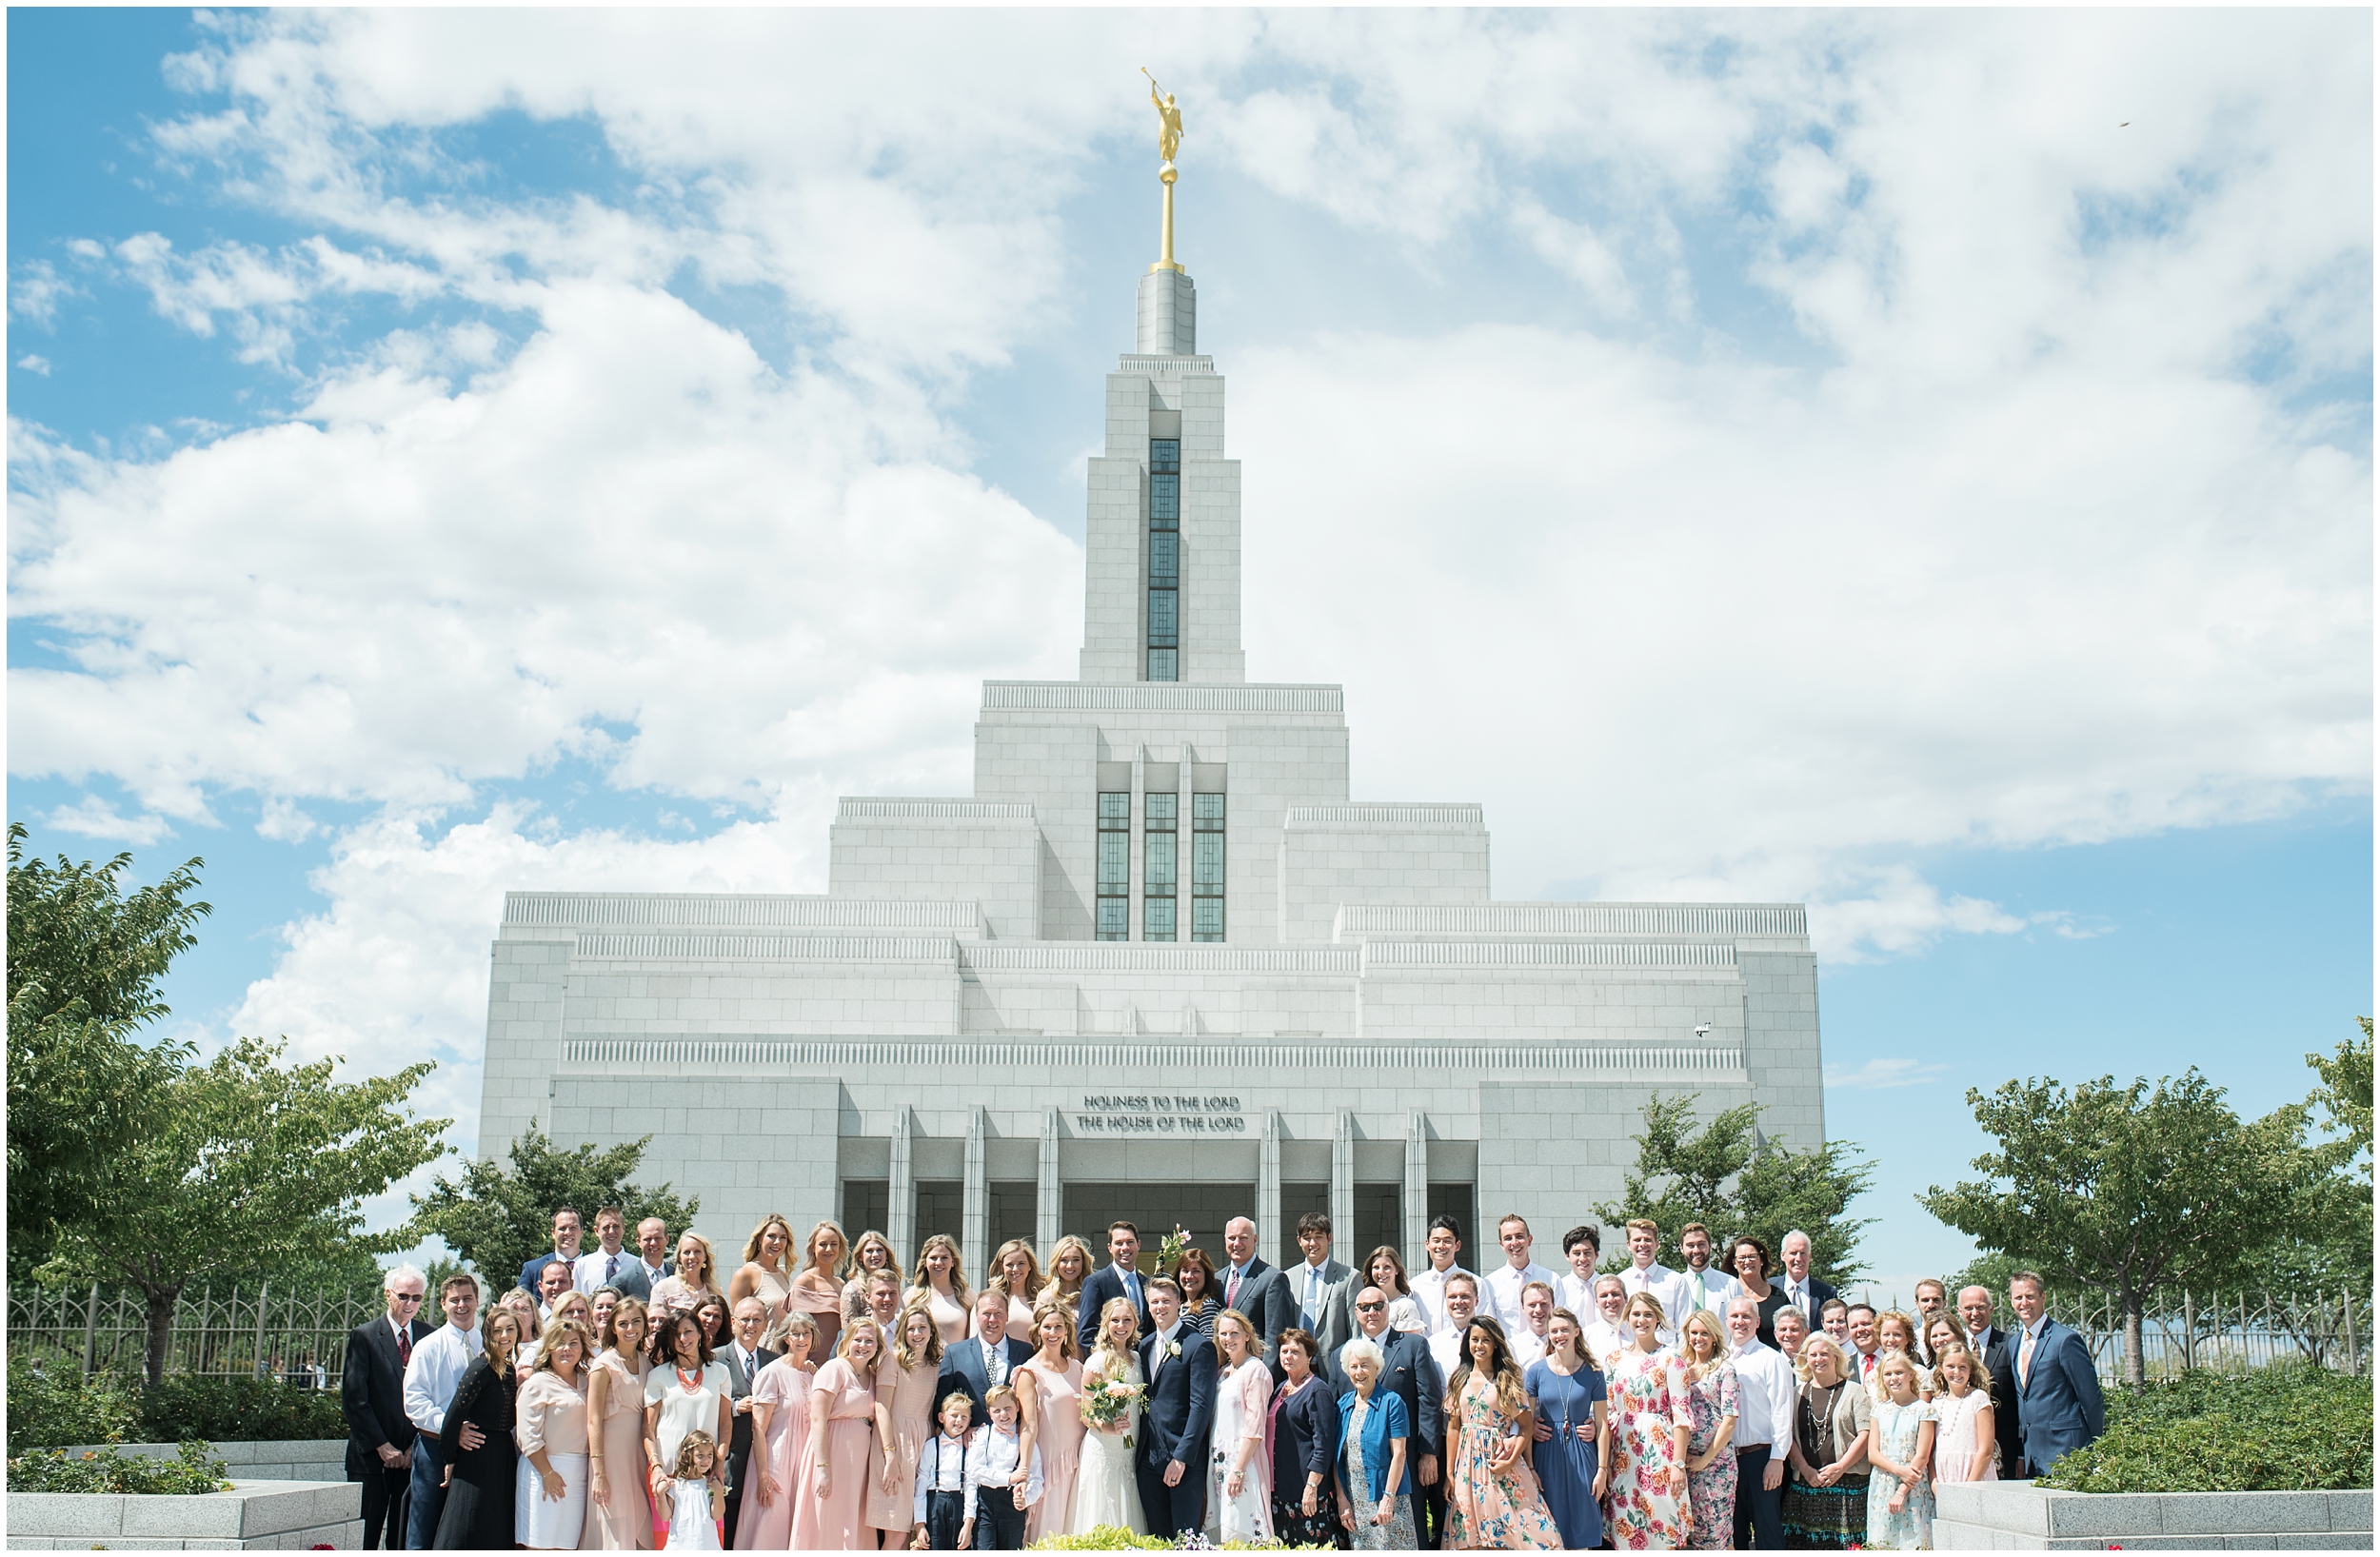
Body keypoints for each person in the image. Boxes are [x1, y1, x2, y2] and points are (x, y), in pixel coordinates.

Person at [1330, 1286, 1445, 1543]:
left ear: (1388, 1309)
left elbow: (1429, 1400)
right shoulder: (1340, 1355)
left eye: (1378, 1306)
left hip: (1405, 1462)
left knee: (1409, 1534)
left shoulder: (1414, 1346)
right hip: (1357, 1471)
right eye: (1365, 1307)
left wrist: (1429, 1453)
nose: (1372, 1312)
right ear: (1356, 1312)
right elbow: (1336, 1415)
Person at [1442, 1316, 1562, 1550]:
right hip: (1466, 1466)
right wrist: (1449, 1470)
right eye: (1475, 1340)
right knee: (1469, 1533)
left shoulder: (1506, 1380)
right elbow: (1454, 1426)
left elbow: (1526, 1425)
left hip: (1498, 1460)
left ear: (1495, 1344)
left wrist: (1511, 1459)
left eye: (1486, 1340)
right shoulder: (1459, 1379)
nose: (1479, 1345)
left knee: (1509, 1531)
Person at [343, 1264, 432, 1549]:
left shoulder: (430, 1337)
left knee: (403, 1539)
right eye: (403, 1296)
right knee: (365, 1540)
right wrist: (383, 1446)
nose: (410, 1304)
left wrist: (413, 1447)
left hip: (413, 1459)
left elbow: (435, 1397)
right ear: (388, 1294)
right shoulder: (364, 1337)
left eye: (417, 1298)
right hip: (371, 1460)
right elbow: (355, 1400)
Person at [403, 1272, 487, 1548]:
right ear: (442, 1304)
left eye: (467, 1298)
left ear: (477, 1301)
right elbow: (414, 1400)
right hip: (434, 1447)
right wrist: (452, 1429)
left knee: (470, 1527)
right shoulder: (427, 1347)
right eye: (454, 1300)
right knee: (426, 1523)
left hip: (479, 1447)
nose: (461, 1305)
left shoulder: (490, 1346)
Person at [794, 1317, 892, 1550]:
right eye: (857, 1339)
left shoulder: (873, 1375)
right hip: (832, 1454)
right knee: (828, 1518)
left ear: (878, 1345)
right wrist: (823, 1468)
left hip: (858, 1462)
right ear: (847, 1341)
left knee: (853, 1520)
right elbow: (818, 1419)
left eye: (870, 1340)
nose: (863, 1345)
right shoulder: (833, 1369)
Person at [1605, 1293, 1693, 1548]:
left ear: (1657, 1319)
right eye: (1636, 1314)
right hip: (1622, 1455)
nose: (1641, 1320)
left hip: (1659, 1453)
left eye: (1647, 1314)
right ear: (1627, 1318)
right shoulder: (1613, 1360)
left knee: (1662, 1524)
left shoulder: (1671, 1359)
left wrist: (1678, 1464)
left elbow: (1681, 1415)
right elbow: (1609, 1411)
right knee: (1626, 1527)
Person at [430, 1305, 520, 1550]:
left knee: (495, 1524)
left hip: (502, 1454)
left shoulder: (509, 1368)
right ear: (487, 1334)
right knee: (468, 1523)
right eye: (498, 1330)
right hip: (477, 1456)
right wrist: (450, 1458)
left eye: (510, 1329)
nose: (504, 1336)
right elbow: (453, 1415)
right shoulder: (480, 1368)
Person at [1135, 1276, 1217, 1539]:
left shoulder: (1198, 1345)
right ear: (1148, 1306)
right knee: (1157, 1538)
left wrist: (1181, 1458)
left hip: (1183, 1460)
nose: (1160, 1307)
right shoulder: (1144, 1346)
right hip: (1148, 1459)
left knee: (1185, 1538)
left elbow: (1200, 1407)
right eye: (1155, 1302)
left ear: (1179, 1303)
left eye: (1166, 1301)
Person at [1522, 1307, 1608, 1549]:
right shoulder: (1536, 1371)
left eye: (1564, 1330)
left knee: (1582, 1524)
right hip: (1547, 1452)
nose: (1559, 1335)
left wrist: (1602, 1469)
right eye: (1554, 1331)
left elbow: (1602, 1424)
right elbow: (1527, 1422)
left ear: (1576, 1332)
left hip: (1583, 1453)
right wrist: (1530, 1466)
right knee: (1550, 1525)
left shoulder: (1594, 1372)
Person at [2007, 1271, 2104, 1474]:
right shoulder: (2014, 1343)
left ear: (2043, 1297)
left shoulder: (2065, 1340)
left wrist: (2093, 1448)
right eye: (2018, 1297)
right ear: (2011, 1301)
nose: (2024, 1302)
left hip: (2066, 1452)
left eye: (2030, 1296)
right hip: (2032, 1457)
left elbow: (2091, 1400)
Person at [736, 1311, 817, 1550]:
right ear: (786, 1338)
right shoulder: (771, 1373)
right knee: (770, 1525)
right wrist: (762, 1475)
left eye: (806, 1333)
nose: (801, 1338)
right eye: (795, 1333)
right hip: (775, 1461)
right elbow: (757, 1427)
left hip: (803, 1461)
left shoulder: (813, 1374)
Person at [865, 1305, 945, 1545]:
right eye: (911, 1329)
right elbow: (881, 1407)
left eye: (922, 1327)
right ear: (903, 1332)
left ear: (932, 1331)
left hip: (923, 1445)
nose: (917, 1333)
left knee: (914, 1529)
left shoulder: (935, 1365)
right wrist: (890, 1457)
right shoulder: (892, 1360)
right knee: (896, 1531)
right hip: (894, 1444)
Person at [1781, 1334, 1871, 1550]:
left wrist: (1841, 1467)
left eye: (1824, 1354)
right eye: (1813, 1354)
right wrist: (1805, 1469)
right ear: (1806, 1359)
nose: (1819, 1359)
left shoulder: (1854, 1391)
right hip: (1805, 1486)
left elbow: (1865, 1433)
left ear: (1835, 1357)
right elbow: (1788, 1436)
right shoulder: (1796, 1394)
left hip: (1847, 1487)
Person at [1069, 1295, 1148, 1533]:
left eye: (1127, 1320)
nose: (1121, 1326)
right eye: (1115, 1320)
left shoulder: (1137, 1358)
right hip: (1103, 1447)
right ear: (1105, 1324)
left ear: (1135, 1323)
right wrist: (1110, 1428)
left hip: (1128, 1447)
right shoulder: (1097, 1361)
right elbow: (1085, 1412)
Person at [645, 1311, 734, 1518]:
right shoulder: (658, 1375)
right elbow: (648, 1428)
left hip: (706, 1472)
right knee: (669, 1540)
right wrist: (655, 1466)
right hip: (669, 1474)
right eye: (676, 1334)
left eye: (688, 1332)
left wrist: (719, 1464)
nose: (682, 1339)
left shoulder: (720, 1372)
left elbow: (725, 1423)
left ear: (700, 1334)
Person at [516, 1316, 595, 1550]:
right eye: (560, 1343)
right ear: (549, 1347)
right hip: (543, 1472)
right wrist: (547, 1473)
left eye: (573, 1343)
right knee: (540, 1546)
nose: (567, 1349)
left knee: (567, 1546)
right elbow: (527, 1436)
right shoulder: (537, 1383)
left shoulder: (587, 1381)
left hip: (578, 1474)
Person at [1723, 1295, 1794, 1551]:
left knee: (1767, 1534)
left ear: (1757, 1322)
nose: (1740, 1321)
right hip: (1726, 1459)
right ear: (1727, 1320)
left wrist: (1777, 1458)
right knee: (1733, 1534)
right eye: (1735, 1316)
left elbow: (1782, 1411)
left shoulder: (1770, 1359)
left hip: (1760, 1458)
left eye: (1746, 1316)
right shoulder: (1721, 1359)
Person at [1334, 1336, 1417, 1549]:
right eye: (1353, 1366)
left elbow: (1400, 1454)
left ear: (1377, 1368)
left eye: (1364, 1365)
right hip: (1356, 1502)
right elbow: (1338, 1458)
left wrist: (1388, 1500)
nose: (1359, 1372)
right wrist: (1343, 1500)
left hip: (1388, 1499)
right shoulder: (1343, 1405)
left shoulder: (1392, 1402)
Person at [585, 1295, 654, 1550]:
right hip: (612, 1456)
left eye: (636, 1322)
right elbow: (592, 1420)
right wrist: (599, 1472)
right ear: (613, 1327)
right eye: (623, 1323)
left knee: (643, 1528)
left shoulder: (647, 1363)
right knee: (616, 1527)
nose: (630, 1329)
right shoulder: (603, 1365)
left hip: (640, 1454)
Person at [1015, 1302, 1084, 1545]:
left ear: (1067, 1331)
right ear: (1038, 1330)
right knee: (1050, 1536)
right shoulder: (1029, 1372)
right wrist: (1024, 1469)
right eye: (1047, 1327)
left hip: (1079, 1463)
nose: (1053, 1333)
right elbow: (1028, 1426)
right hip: (1050, 1466)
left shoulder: (1078, 1368)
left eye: (1058, 1327)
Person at [1268, 1327, 1344, 1547]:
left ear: (1309, 1357)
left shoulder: (1317, 1390)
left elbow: (1324, 1445)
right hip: (1280, 1490)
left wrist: (1311, 1487)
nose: (1288, 1356)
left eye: (1295, 1352)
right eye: (1284, 1351)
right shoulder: (1281, 1388)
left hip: (1306, 1492)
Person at [1206, 1308, 1274, 1543]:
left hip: (1243, 1463)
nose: (1228, 1339)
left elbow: (1255, 1428)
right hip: (1218, 1461)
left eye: (1234, 1333)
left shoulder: (1256, 1370)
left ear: (1247, 1335)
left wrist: (1239, 1469)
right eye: (1223, 1334)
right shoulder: (1223, 1372)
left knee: (1242, 1524)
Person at [718, 1297, 777, 1547]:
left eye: (756, 1320)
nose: (750, 1325)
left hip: (766, 1465)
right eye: (744, 1319)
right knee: (728, 1535)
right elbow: (703, 1402)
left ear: (765, 1325)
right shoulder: (715, 1358)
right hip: (732, 1462)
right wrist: (733, 1407)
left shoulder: (775, 1361)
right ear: (733, 1323)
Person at [1679, 1308, 1739, 1550]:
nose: (1698, 1338)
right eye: (1694, 1333)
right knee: (1687, 1536)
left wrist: (1705, 1459)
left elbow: (1730, 1419)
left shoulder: (1725, 1370)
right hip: (1684, 1465)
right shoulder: (1680, 1369)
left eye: (1704, 1333)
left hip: (1716, 1465)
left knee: (1715, 1534)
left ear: (1714, 1336)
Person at [1863, 1353, 1935, 1550]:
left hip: (1912, 1486)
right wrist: (1897, 1470)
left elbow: (1922, 1456)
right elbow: (1873, 1454)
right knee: (1882, 1544)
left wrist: (1902, 1490)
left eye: (1899, 1372)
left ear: (1911, 1375)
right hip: (1883, 1486)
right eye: (1888, 1374)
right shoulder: (1879, 1410)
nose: (1893, 1378)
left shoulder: (1924, 1410)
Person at [941, 1288, 1037, 1429]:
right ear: (976, 1315)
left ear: (1007, 1316)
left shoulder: (1026, 1353)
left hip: (1013, 1443)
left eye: (998, 1313)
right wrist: (962, 1430)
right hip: (969, 1444)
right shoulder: (955, 1354)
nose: (992, 1320)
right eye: (986, 1314)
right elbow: (942, 1403)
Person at [1956, 1285, 2024, 1482]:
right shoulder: (1953, 1347)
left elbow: (2021, 1401)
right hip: (1963, 1451)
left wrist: (2020, 1453)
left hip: (2004, 1449)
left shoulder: (2011, 1344)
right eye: (1968, 1308)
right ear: (1959, 1311)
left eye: (1981, 1307)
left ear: (1992, 1309)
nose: (1975, 1313)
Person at [962, 1384, 1042, 1550]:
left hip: (1012, 1505)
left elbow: (1037, 1479)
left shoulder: (1025, 1440)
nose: (1003, 1415)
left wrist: (1026, 1499)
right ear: (989, 1413)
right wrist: (1008, 1478)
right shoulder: (983, 1435)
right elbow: (975, 1470)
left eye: (1008, 1408)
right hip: (985, 1504)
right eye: (997, 1411)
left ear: (1018, 1407)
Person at [911, 1390, 978, 1550]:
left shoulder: (971, 1447)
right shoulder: (931, 1446)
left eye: (964, 1417)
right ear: (941, 1418)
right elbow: (920, 1485)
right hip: (935, 1502)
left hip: (959, 1503)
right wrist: (920, 1525)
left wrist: (968, 1524)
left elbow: (971, 1485)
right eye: (954, 1415)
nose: (959, 1420)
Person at [1288, 1211, 1359, 1360]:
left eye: (1318, 1237)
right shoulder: (1288, 1278)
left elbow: (1356, 1331)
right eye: (1307, 1238)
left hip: (1334, 1366)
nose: (1312, 1243)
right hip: (1296, 1365)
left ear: (1329, 1238)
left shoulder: (1349, 1278)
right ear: (1299, 1241)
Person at [1217, 1216, 1292, 1354]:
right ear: (1225, 1239)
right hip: (1221, 1370)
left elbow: (1276, 1336)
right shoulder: (1217, 1279)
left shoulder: (1272, 1279)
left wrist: (1266, 1374)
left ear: (1255, 1239)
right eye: (1232, 1238)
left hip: (1255, 1368)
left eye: (1243, 1238)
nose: (1237, 1243)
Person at [1075, 1222, 1153, 1355]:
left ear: (1138, 1245)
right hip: (1110, 1368)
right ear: (1110, 1248)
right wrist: (1107, 1365)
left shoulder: (1147, 1283)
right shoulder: (1096, 1282)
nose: (1125, 1248)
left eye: (1130, 1242)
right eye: (1119, 1243)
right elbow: (1086, 1333)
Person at [1928, 1340, 1997, 1486]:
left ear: (1970, 1369)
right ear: (1940, 1367)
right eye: (1950, 1366)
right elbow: (1931, 1448)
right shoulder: (1936, 1401)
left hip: (1974, 1477)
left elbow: (1986, 1450)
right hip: (1944, 1477)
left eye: (1962, 1367)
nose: (1956, 1372)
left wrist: (1967, 1487)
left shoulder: (1978, 1398)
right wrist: (1934, 1482)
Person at [1617, 1219, 1696, 1347]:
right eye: (1637, 1240)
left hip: (1666, 1358)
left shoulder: (1675, 1281)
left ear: (1657, 1244)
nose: (1642, 1244)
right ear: (1628, 1245)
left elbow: (1685, 1328)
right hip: (1629, 1355)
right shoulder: (1620, 1282)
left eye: (1648, 1240)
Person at [1481, 1214, 1558, 1339]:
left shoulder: (1551, 1279)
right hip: (1508, 1354)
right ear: (1501, 1244)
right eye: (1508, 1238)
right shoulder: (1490, 1283)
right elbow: (1489, 1325)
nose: (1514, 1242)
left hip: (1546, 1351)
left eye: (1519, 1236)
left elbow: (1559, 1319)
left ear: (1530, 1240)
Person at [786, 1219, 848, 1363]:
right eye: (823, 1244)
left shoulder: (841, 1285)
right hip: (807, 1364)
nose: (828, 1249)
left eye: (834, 1244)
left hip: (835, 1363)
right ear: (813, 1247)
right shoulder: (804, 1281)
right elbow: (794, 1329)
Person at [725, 1214, 796, 1329]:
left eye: (783, 1237)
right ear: (760, 1238)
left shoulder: (783, 1276)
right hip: (757, 1345)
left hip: (782, 1345)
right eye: (771, 1236)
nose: (777, 1242)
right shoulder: (745, 1274)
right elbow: (738, 1324)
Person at [1409, 1215, 1475, 1337]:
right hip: (1424, 1352)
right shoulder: (1414, 1286)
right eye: (1436, 1240)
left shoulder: (1475, 1283)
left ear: (1457, 1245)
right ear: (1427, 1244)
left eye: (1447, 1241)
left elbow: (1485, 1324)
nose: (1441, 1246)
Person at [1721, 1235, 1790, 1350]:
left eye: (1752, 1256)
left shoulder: (1779, 1297)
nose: (1747, 1261)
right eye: (1742, 1258)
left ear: (1761, 1260)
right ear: (1734, 1262)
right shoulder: (1727, 1294)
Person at [663, 1430, 725, 1550]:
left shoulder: (710, 1484)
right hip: (680, 1545)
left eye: (710, 1455)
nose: (706, 1460)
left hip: (706, 1545)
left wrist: (718, 1493)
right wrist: (660, 1495)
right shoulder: (676, 1486)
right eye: (700, 1455)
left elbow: (717, 1515)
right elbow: (665, 1516)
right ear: (686, 1456)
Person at [912, 1233, 975, 1348]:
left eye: (945, 1257)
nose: (939, 1263)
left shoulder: (968, 1296)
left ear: (953, 1262)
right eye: (933, 1258)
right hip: (920, 1364)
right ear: (925, 1262)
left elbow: (974, 1340)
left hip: (956, 1364)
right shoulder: (910, 1295)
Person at [1425, 1271, 1482, 1389]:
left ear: (1476, 1301)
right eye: (1452, 1297)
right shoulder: (1433, 1345)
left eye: (1465, 1296)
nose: (1458, 1302)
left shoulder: (1493, 1340)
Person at [651, 1232, 724, 1321]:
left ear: (705, 1257)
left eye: (697, 1252)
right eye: (686, 1252)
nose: (692, 1257)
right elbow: (654, 1324)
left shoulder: (714, 1290)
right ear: (680, 1258)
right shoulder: (663, 1288)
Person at [1775, 1232, 1838, 1332]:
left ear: (1810, 1256)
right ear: (1783, 1256)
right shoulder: (1769, 1289)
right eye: (1793, 1253)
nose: (1798, 1259)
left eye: (1803, 1253)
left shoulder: (1827, 1293)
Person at [989, 1239, 1047, 1344]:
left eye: (1021, 1263)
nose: (1015, 1269)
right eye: (1010, 1264)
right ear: (1002, 1267)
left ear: (1030, 1266)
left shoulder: (1043, 1298)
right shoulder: (991, 1301)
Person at [1360, 1247, 1428, 1333]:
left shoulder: (1405, 1306)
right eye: (1376, 1267)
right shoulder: (1363, 1303)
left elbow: (1408, 1344)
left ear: (1397, 1270)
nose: (1381, 1272)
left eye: (1387, 1267)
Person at [577, 1207, 640, 1296]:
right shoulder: (582, 1266)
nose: (611, 1231)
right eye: (606, 1227)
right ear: (596, 1231)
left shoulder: (637, 1265)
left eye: (616, 1226)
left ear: (624, 1228)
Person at [842, 1230, 902, 1320]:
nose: (875, 1255)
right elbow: (847, 1331)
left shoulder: (894, 1284)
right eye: (869, 1251)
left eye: (880, 1250)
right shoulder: (852, 1290)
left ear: (887, 1256)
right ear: (860, 1257)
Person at [523, 1208, 585, 1296]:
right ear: (553, 1232)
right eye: (562, 1228)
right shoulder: (533, 1269)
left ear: (581, 1231)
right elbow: (520, 1304)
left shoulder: (595, 1267)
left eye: (573, 1228)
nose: (568, 1232)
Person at [1676, 1225, 1732, 1322]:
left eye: (1701, 1244)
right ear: (1681, 1248)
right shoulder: (1674, 1286)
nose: (1696, 1250)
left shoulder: (1730, 1284)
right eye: (1691, 1246)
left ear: (1710, 1246)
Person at [1580, 1274, 1632, 1374]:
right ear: (1596, 1302)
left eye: (1615, 1294)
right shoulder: (1585, 1338)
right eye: (1604, 1296)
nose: (1610, 1300)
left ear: (1625, 1298)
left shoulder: (1640, 1334)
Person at [1552, 1224, 1602, 1320]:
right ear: (1567, 1256)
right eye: (1577, 1254)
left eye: (1587, 1253)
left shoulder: (1607, 1287)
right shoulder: (1560, 1289)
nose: (1582, 1259)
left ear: (1596, 1254)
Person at [1171, 1245, 1220, 1337]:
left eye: (1196, 1271)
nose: (1189, 1276)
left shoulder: (1207, 1306)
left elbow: (1208, 1346)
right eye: (1185, 1271)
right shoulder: (1177, 1305)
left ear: (1206, 1275)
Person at [1041, 1234, 1094, 1318]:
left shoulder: (1091, 1295)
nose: (1070, 1266)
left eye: (1076, 1260)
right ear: (1056, 1263)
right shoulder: (1047, 1298)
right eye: (1064, 1260)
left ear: (1083, 1262)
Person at [626, 1218, 675, 1303]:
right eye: (647, 1239)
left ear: (667, 1239)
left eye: (658, 1238)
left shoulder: (678, 1276)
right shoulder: (624, 1281)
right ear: (638, 1242)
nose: (653, 1243)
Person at [1510, 1281, 1555, 1370]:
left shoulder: (1566, 1344)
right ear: (1523, 1308)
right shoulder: (1513, 1348)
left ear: (1553, 1306)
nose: (1538, 1310)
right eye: (1532, 1305)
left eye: (1544, 1304)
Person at [1844, 1305, 1881, 1386]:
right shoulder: (1844, 1369)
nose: (1860, 1329)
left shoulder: (1896, 1358)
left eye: (1866, 1324)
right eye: (1854, 1326)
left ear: (1877, 1325)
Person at [539, 1259, 578, 1323]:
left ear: (571, 1284)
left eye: (562, 1282)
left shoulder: (580, 1320)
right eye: (551, 1282)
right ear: (540, 1286)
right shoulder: (531, 1321)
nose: (556, 1287)